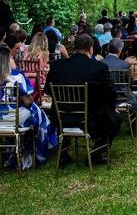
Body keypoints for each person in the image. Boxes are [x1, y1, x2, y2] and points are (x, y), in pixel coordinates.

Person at [44, 34, 122, 165]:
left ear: (74, 48)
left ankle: (64, 152)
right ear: (91, 49)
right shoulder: (98, 68)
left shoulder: (57, 66)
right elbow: (111, 93)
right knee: (117, 119)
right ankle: (95, 153)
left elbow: (47, 90)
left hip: (61, 116)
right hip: (90, 118)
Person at [0, 48, 56, 168]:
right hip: (14, 119)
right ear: (6, 60)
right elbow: (28, 101)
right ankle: (39, 149)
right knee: (36, 111)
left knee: (35, 111)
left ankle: (16, 149)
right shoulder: (16, 76)